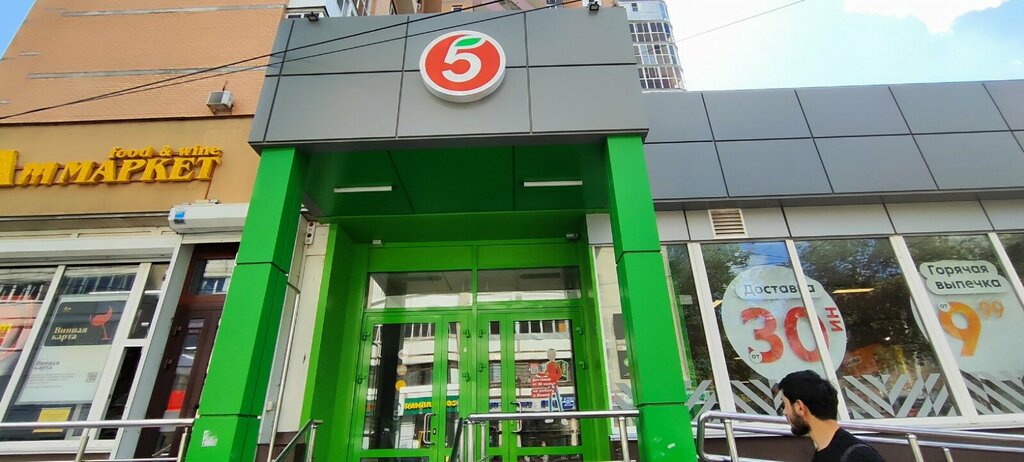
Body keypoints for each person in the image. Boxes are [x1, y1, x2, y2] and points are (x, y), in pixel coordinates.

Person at [776, 370, 885, 462]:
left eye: (785, 404)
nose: (784, 412)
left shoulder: (858, 456)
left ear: (799, 407)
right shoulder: (824, 452)